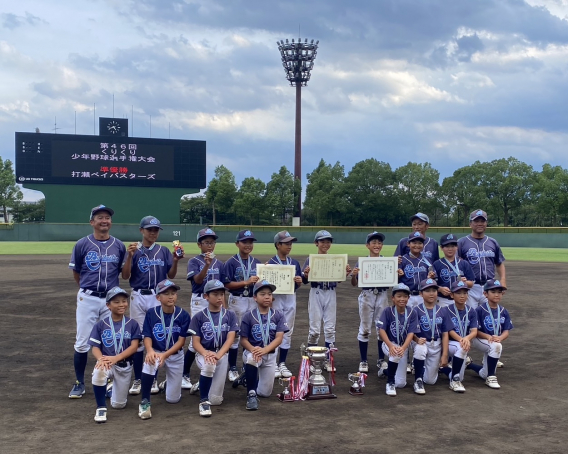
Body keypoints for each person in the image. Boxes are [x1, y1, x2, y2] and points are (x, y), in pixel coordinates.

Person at [68, 205, 126, 398]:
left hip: (110, 300)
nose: (104, 220)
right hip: (88, 298)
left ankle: (108, 382)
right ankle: (79, 382)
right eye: (100, 217)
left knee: (110, 341)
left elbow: (123, 273)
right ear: (92, 222)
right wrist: (87, 289)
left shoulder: (118, 245)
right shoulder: (82, 244)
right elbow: (77, 272)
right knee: (83, 342)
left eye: (107, 217)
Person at [121, 215, 181, 396]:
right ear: (142, 231)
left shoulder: (163, 251)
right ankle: (139, 378)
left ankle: (152, 377)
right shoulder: (134, 250)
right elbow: (125, 276)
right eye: (149, 230)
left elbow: (171, 275)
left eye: (156, 230)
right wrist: (130, 256)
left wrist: (176, 260)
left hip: (158, 297)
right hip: (139, 295)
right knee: (139, 339)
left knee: (154, 337)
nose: (153, 233)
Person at [138, 279, 190, 420]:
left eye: (173, 293)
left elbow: (181, 342)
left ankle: (168, 383)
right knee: (149, 363)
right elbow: (147, 335)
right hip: (155, 351)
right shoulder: (151, 313)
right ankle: (145, 401)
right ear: (158, 297)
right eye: (166, 293)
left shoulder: (183, 315)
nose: (171, 296)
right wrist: (149, 351)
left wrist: (165, 355)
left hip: (175, 355)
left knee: (173, 400)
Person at [88, 286, 141, 423]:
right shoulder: (101, 325)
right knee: (99, 371)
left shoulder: (132, 324)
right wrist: (101, 359)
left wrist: (116, 358)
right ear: (108, 305)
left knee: (118, 405)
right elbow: (95, 347)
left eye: (124, 301)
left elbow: (134, 347)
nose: (121, 304)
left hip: (124, 366)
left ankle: (110, 388)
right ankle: (101, 407)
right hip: (108, 363)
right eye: (116, 302)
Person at [188, 280, 239, 417]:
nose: (219, 297)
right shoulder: (199, 317)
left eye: (222, 294)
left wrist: (219, 355)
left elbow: (230, 338)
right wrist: (206, 353)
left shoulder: (230, 315)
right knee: (209, 366)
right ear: (206, 296)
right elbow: (195, 343)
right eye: (215, 294)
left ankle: (201, 384)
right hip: (203, 354)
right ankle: (203, 402)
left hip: (221, 354)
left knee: (216, 401)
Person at [302, 230, 351, 371]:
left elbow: (339, 280)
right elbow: (304, 280)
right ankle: (312, 360)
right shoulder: (310, 259)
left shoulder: (335, 259)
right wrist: (305, 274)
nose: (326, 244)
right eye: (322, 241)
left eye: (328, 241)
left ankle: (329, 360)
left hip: (330, 292)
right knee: (315, 329)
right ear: (316, 243)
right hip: (316, 292)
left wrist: (345, 274)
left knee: (330, 328)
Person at [183, 228, 223, 392]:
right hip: (200, 300)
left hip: (217, 301)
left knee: (214, 335)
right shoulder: (194, 261)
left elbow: (222, 288)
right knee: (196, 339)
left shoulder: (219, 263)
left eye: (212, 242)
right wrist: (206, 266)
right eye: (206, 242)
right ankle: (185, 374)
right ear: (199, 244)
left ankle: (207, 376)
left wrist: (224, 306)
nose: (209, 245)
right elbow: (198, 281)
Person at [240, 280, 288, 411]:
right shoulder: (248, 316)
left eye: (269, 294)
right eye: (262, 294)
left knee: (265, 393)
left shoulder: (278, 315)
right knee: (251, 359)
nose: (267, 296)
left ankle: (247, 377)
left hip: (270, 356)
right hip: (253, 353)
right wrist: (254, 350)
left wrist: (265, 350)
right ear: (255, 298)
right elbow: (243, 340)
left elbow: (279, 338)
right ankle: (251, 395)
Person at [222, 229, 261, 382]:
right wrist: (246, 282)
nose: (248, 245)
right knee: (235, 335)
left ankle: (246, 365)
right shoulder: (231, 262)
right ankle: (232, 367)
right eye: (245, 242)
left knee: (249, 334)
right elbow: (226, 284)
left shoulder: (256, 262)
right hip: (237, 300)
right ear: (237, 243)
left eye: (250, 242)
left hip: (252, 300)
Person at [350, 231, 389, 374]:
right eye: (374, 242)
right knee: (365, 328)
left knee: (381, 328)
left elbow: (391, 281)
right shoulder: (362, 262)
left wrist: (396, 273)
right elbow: (354, 283)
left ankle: (380, 359)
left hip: (382, 295)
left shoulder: (386, 261)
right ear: (368, 245)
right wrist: (354, 274)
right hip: (367, 295)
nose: (377, 245)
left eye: (379, 243)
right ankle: (363, 360)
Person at [268, 231, 303, 379]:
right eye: (286, 243)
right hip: (276, 298)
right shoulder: (270, 264)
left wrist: (299, 282)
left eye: (290, 243)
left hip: (290, 298)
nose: (289, 246)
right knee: (274, 329)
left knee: (287, 330)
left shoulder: (294, 263)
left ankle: (282, 363)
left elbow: (296, 285)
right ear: (278, 245)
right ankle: (272, 363)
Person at [467, 279, 513, 389]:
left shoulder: (503, 311)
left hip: (494, 340)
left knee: (484, 373)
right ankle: (491, 377)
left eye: (499, 292)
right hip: (479, 339)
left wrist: (500, 337)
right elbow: (474, 331)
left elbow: (506, 331)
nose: (497, 294)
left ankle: (469, 364)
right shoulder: (479, 310)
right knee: (496, 346)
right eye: (493, 292)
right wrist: (488, 337)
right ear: (485, 294)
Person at [457, 210, 506, 309]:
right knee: (471, 317)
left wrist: (503, 280)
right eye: (476, 221)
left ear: (486, 223)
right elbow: (454, 264)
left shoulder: (493, 242)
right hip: (470, 287)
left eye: (482, 221)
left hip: (489, 286)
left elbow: (499, 263)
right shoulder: (461, 242)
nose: (480, 224)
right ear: (470, 224)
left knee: (488, 316)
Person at [377, 283, 420, 396]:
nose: (402, 299)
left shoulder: (412, 312)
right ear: (393, 298)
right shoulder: (387, 311)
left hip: (403, 345)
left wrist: (404, 348)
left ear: (408, 298)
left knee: (400, 383)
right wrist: (391, 346)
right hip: (389, 343)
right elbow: (381, 331)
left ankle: (385, 371)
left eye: (405, 296)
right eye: (399, 296)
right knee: (395, 353)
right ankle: (389, 383)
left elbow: (411, 333)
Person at [411, 279, 449, 395]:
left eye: (434, 290)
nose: (431, 293)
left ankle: (419, 367)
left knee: (430, 381)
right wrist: (417, 340)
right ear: (421, 294)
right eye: (427, 291)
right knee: (420, 350)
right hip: (421, 342)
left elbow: (445, 333)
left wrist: (445, 355)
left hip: (436, 344)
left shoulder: (442, 311)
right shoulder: (416, 310)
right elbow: (410, 331)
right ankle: (418, 379)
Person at [440, 281, 478, 393]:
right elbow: (449, 331)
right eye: (458, 293)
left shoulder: (471, 311)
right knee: (430, 380)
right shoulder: (446, 310)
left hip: (461, 343)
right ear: (452, 295)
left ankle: (445, 370)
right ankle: (454, 381)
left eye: (465, 293)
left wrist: (466, 338)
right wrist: (462, 339)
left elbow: (474, 331)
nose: (462, 296)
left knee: (461, 375)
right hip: (448, 343)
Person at [433, 234, 475, 307]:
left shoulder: (463, 263)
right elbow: (432, 283)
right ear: (441, 248)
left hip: (460, 300)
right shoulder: (437, 264)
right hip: (442, 300)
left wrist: (465, 282)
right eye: (447, 246)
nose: (450, 249)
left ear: (457, 247)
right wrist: (440, 289)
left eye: (453, 246)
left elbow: (471, 283)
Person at [398, 232, 436, 308]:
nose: (417, 245)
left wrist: (430, 278)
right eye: (414, 243)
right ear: (408, 244)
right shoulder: (402, 260)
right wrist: (398, 276)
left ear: (423, 245)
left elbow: (434, 278)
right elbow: (395, 279)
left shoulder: (427, 260)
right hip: (407, 296)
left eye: (419, 243)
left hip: (422, 295)